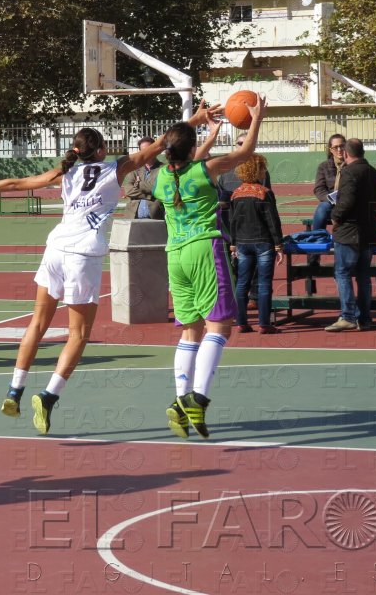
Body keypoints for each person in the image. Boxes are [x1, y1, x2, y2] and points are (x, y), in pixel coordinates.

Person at [0, 102, 220, 435]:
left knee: (38, 323)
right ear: (102, 149)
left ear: (76, 150)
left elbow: (17, 184)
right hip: (83, 255)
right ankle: (48, 397)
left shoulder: (66, 171)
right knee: (78, 334)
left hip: (55, 248)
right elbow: (164, 144)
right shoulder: (115, 168)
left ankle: (14, 391)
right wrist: (193, 120)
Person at [153, 97, 267, 440]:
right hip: (204, 250)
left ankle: (178, 401)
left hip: (174, 256)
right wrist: (257, 118)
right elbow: (246, 153)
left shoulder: (160, 177)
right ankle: (197, 399)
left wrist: (206, 133)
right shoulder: (206, 171)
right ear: (191, 151)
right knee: (220, 327)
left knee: (190, 332)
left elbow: (187, 160)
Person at [327, 138, 376, 332]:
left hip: (349, 232)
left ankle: (348, 316)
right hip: (369, 230)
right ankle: (365, 318)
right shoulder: (375, 174)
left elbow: (346, 201)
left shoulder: (349, 172)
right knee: (363, 276)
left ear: (345, 152)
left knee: (342, 272)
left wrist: (335, 217)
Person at [229, 154, 284, 334]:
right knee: (264, 284)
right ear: (257, 170)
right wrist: (278, 245)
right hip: (263, 243)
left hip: (243, 243)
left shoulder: (236, 194)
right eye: (262, 168)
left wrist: (234, 244)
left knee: (242, 283)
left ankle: (241, 321)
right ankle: (264, 323)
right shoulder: (264, 193)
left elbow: (233, 222)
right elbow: (272, 221)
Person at [122, 137, 165, 220]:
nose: (146, 153)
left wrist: (138, 184)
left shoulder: (163, 169)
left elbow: (158, 188)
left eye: (149, 149)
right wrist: (148, 196)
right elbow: (128, 190)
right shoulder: (134, 169)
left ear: (155, 150)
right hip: (133, 215)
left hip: (156, 215)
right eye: (143, 151)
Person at [313, 134, 347, 231]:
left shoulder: (352, 165)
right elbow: (319, 189)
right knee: (323, 207)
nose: (339, 149)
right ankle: (316, 236)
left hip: (348, 202)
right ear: (331, 150)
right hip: (331, 203)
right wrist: (331, 199)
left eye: (342, 146)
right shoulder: (323, 167)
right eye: (336, 147)